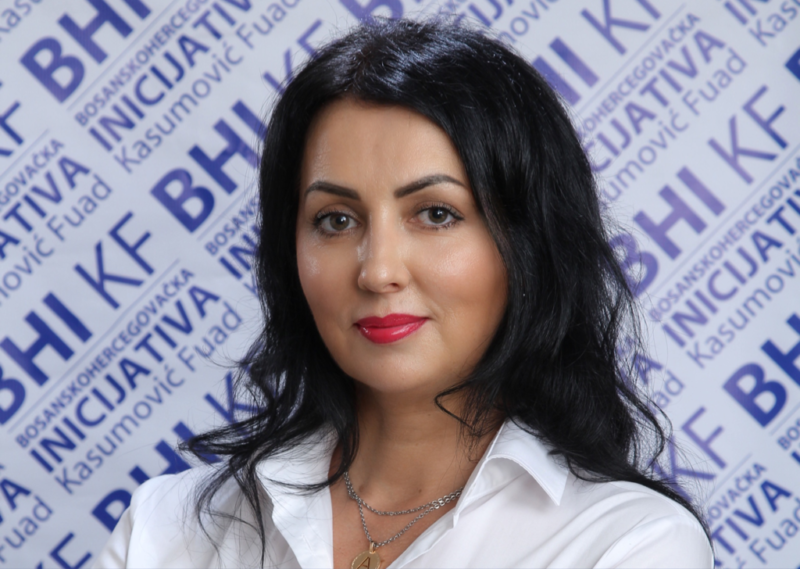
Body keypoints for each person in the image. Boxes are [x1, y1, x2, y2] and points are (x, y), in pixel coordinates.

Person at [94, 17, 714, 569]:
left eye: (436, 214)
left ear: (529, 243)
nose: (378, 270)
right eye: (336, 220)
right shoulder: (166, 529)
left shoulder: (627, 542)